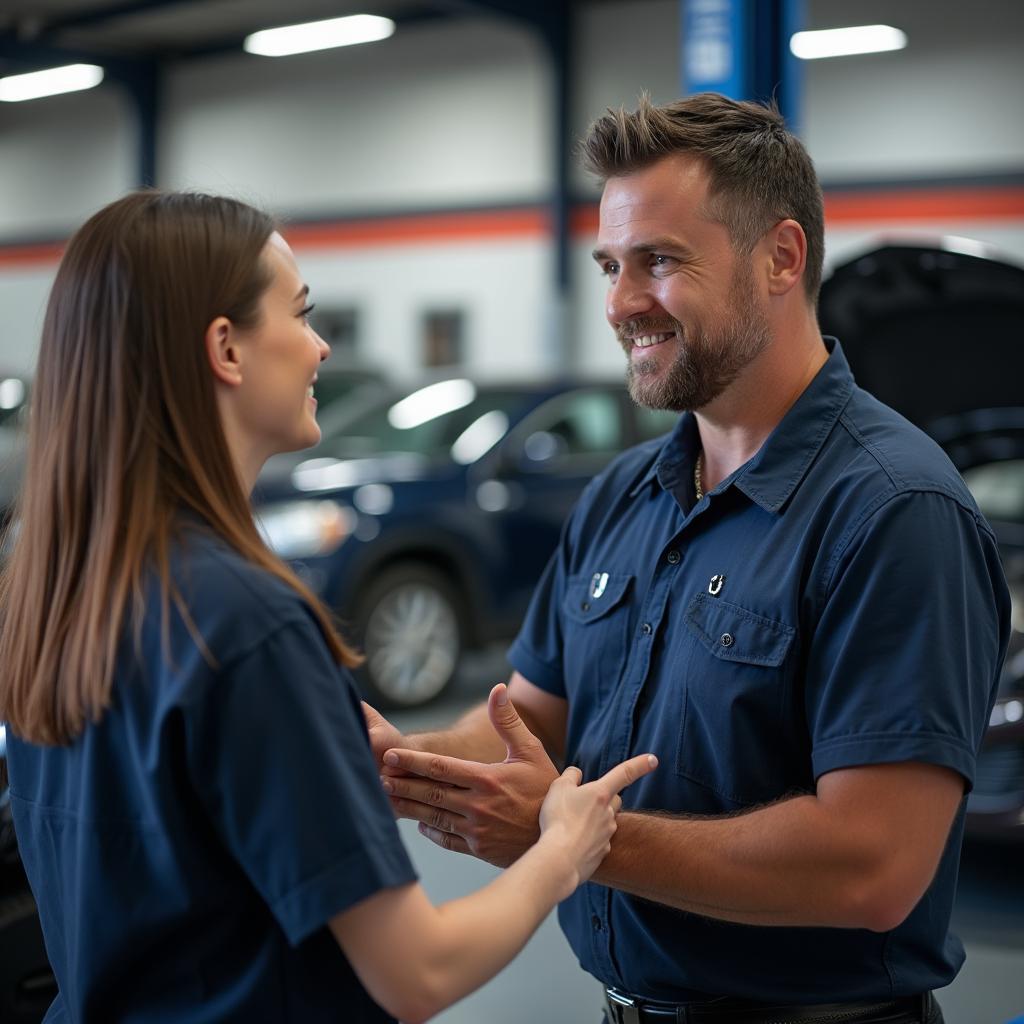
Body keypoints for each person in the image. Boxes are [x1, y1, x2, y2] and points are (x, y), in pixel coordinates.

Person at [365, 93, 1011, 1023]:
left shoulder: (894, 512)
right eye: (610, 266)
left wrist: (575, 839)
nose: (623, 304)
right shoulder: (622, 496)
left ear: (781, 257)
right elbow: (532, 718)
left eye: (660, 262)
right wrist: (401, 764)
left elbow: (873, 865)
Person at [0, 190, 657, 1024]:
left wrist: (329, 772)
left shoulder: (60, 592)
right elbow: (418, 971)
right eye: (302, 315)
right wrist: (565, 843)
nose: (318, 348)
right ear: (226, 348)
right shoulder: (244, 619)